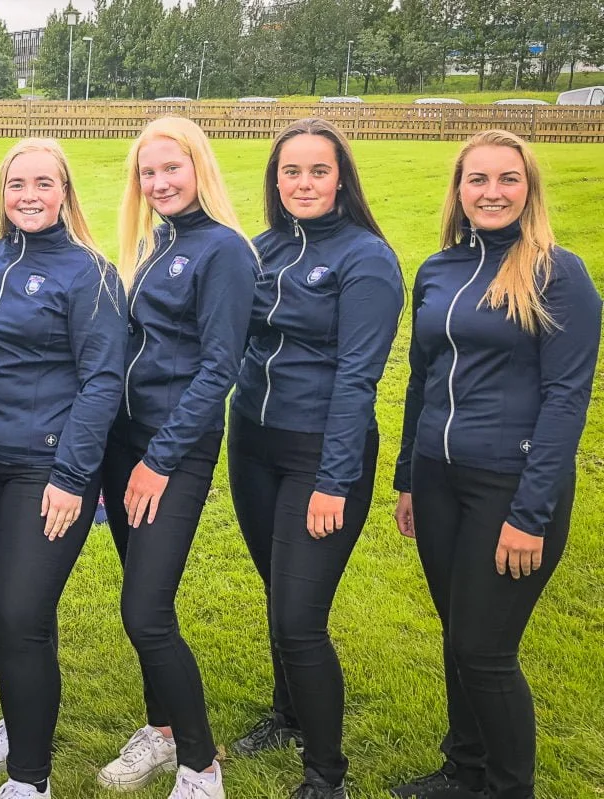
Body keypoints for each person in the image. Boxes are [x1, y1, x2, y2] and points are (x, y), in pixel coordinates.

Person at [389, 130, 600, 799]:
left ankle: (509, 788)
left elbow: (566, 400)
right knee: (459, 636)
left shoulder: (558, 274)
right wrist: (406, 476)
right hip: (437, 477)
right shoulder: (437, 269)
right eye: (477, 179)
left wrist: (531, 514)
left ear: (529, 188)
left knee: (485, 649)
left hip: (509, 485)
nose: (492, 193)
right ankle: (465, 769)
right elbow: (421, 381)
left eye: (508, 179)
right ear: (458, 190)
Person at [227, 118, 403, 799]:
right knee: (279, 595)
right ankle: (288, 716)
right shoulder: (262, 248)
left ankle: (327, 775)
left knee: (300, 618)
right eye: (291, 171)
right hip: (253, 442)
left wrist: (335, 479)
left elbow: (359, 378)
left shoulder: (367, 258)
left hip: (320, 454)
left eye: (318, 171)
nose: (303, 183)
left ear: (341, 179)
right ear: (276, 181)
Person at [0, 138, 127, 799]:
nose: (29, 195)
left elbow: (103, 380)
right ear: (2, 192)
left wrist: (72, 477)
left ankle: (31, 779)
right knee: (20, 612)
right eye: (16, 183)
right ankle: (20, 722)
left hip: (46, 469)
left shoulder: (91, 273)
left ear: (65, 193)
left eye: (43, 183)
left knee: (16, 610)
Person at [98, 116, 257, 799]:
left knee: (146, 610)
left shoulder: (223, 250)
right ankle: (161, 731)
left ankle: (200, 766)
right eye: (148, 172)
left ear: (199, 169)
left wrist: (160, 459)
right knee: (141, 595)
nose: (159, 182)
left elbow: (219, 367)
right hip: (126, 443)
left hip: (174, 450)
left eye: (172, 168)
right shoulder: (158, 243)